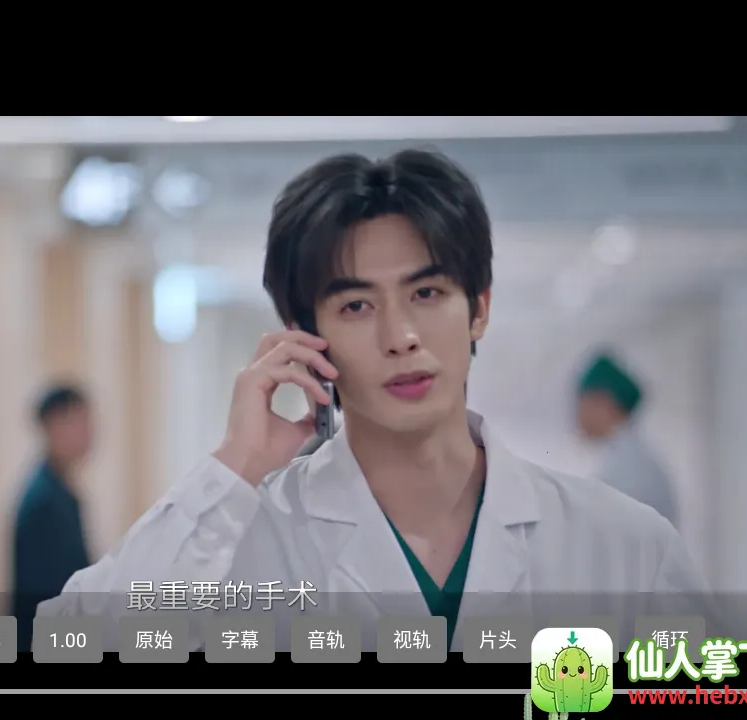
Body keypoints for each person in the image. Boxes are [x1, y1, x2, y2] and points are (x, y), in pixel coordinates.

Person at [38, 149, 709, 648]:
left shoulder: (622, 545)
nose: (400, 337)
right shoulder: (248, 542)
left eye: (427, 293)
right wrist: (235, 466)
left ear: (478, 308)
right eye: (357, 305)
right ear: (306, 335)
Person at [11, 384, 93, 652]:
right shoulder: (45, 501)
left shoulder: (61, 492)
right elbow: (51, 595)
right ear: (54, 427)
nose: (90, 432)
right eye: (81, 421)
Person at [576, 353, 680, 527]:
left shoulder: (628, 469)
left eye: (582, 403)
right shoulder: (630, 457)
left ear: (604, 402)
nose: (578, 415)